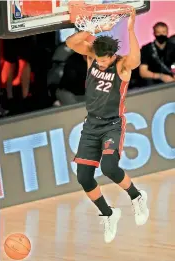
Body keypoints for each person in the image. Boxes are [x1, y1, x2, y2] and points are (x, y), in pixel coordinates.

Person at [66, 9, 149, 243]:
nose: (101, 64)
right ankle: (108, 214)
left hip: (112, 124)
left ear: (112, 55)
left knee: (110, 167)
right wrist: (95, 30)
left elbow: (137, 59)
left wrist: (131, 29)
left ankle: (137, 197)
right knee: (84, 177)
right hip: (90, 124)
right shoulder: (93, 56)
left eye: (104, 60)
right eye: (99, 60)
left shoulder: (122, 66)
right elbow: (71, 42)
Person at [139, 22, 175, 86]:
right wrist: (161, 76)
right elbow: (143, 72)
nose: (161, 35)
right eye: (158, 32)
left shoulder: (172, 47)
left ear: (167, 33)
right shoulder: (147, 49)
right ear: (154, 33)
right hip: (154, 82)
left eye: (164, 32)